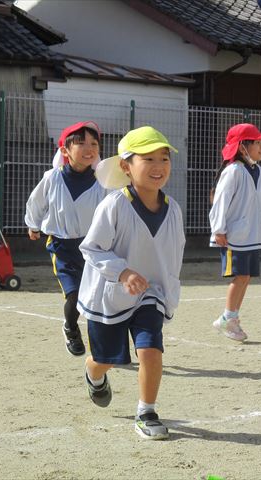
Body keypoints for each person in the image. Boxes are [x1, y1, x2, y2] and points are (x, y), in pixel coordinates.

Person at [78, 126, 185, 440]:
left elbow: (173, 256)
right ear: (126, 166)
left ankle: (146, 412)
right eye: (148, 159)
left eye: (164, 158)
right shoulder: (114, 205)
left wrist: (167, 293)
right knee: (105, 360)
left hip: (150, 294)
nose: (158, 166)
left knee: (151, 350)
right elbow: (92, 248)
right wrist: (123, 273)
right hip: (110, 296)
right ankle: (93, 372)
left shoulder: (174, 210)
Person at [25, 121, 107, 356]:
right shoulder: (53, 177)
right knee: (74, 293)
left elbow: (114, 208)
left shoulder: (102, 180)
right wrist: (33, 225)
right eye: (81, 143)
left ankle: (102, 346)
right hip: (62, 246)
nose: (89, 148)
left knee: (96, 296)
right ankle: (71, 327)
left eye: (94, 143)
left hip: (94, 247)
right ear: (65, 150)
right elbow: (36, 202)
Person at [208, 123, 261, 342]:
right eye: (257, 143)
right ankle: (228, 318)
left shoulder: (258, 171)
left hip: (252, 235)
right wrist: (218, 229)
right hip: (234, 236)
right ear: (243, 147)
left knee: (246, 276)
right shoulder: (233, 170)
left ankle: (230, 317)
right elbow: (220, 201)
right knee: (240, 276)